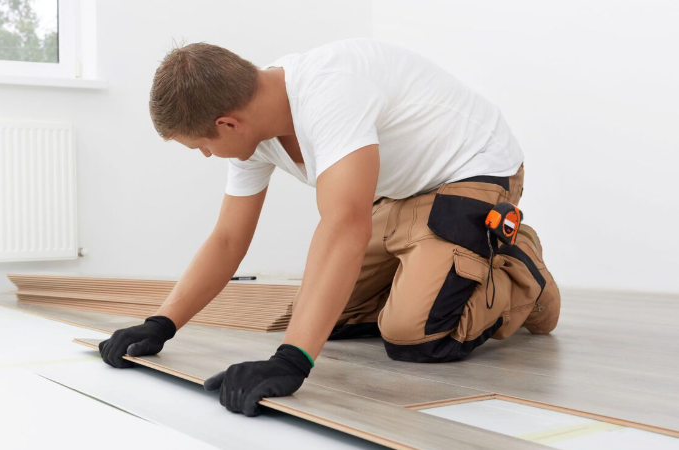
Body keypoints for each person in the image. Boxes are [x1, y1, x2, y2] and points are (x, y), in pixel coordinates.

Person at [98, 38, 561, 417]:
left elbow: (344, 225)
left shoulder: (329, 92)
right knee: (325, 315)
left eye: (200, 146)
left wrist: (293, 359)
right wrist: (162, 323)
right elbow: (227, 239)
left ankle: (521, 268)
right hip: (403, 194)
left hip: (471, 171)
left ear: (227, 122)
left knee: (414, 334)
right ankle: (434, 266)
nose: (204, 155)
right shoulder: (253, 128)